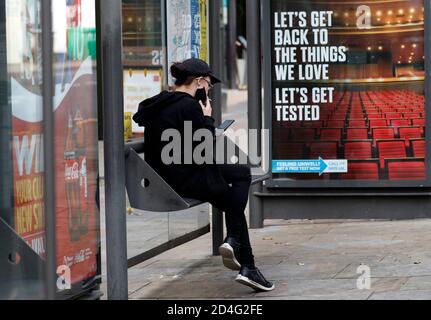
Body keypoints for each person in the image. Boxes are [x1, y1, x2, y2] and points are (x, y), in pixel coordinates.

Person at [133, 58, 274, 292]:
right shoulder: (188, 105)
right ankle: (239, 249)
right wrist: (207, 117)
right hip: (184, 179)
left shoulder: (161, 103)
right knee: (239, 180)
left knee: (234, 190)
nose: (209, 89)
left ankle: (245, 260)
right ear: (198, 82)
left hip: (167, 176)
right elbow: (204, 147)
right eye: (209, 84)